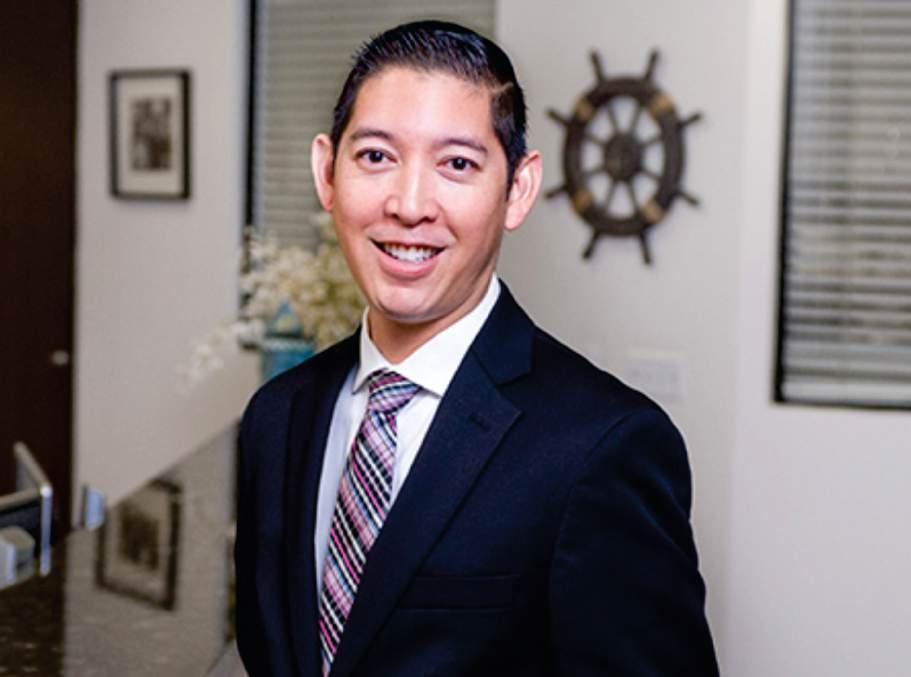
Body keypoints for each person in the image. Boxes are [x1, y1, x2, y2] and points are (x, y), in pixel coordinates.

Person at [235, 20, 718, 677]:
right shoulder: (276, 417)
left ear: (518, 188)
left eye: (457, 164)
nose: (409, 205)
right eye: (375, 156)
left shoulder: (603, 445)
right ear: (326, 172)